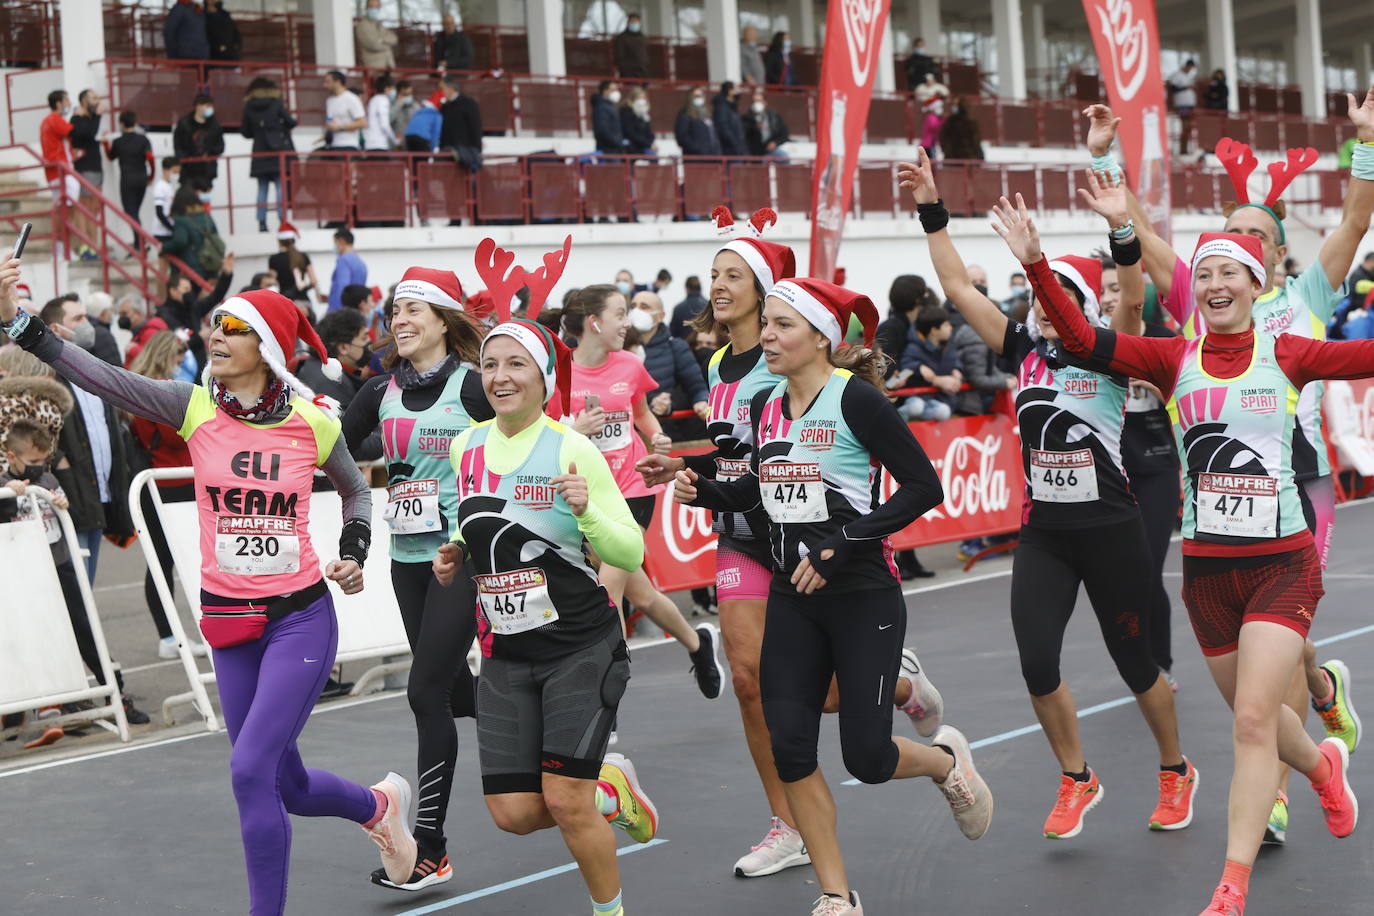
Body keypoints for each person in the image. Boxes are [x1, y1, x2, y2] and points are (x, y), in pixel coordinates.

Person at [1, 256, 421, 915]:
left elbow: (356, 493)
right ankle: (378, 807)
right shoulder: (191, 407)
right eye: (213, 326)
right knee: (287, 782)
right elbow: (101, 377)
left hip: (298, 619)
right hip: (228, 622)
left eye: (232, 326)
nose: (213, 336)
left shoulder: (312, 422)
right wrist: (17, 321)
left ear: (268, 347)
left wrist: (354, 549)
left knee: (250, 771)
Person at [1004, 172, 1369, 915]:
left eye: (1227, 271)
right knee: (1272, 723)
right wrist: (1038, 265)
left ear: (1256, 282)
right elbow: (1080, 339)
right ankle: (1325, 771)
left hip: (1281, 565)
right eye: (1201, 273)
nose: (1211, 282)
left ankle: (1228, 889)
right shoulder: (1171, 361)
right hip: (1207, 574)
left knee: (1249, 724)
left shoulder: (1292, 353)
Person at [1090, 94, 1374, 842]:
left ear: (1276, 255)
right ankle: (1320, 689)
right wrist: (1101, 164)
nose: (1240, 244)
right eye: (1229, 235)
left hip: (1301, 489)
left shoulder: (1308, 297)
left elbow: (1351, 221)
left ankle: (1273, 795)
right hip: (1217, 501)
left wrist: (1367, 145)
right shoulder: (1203, 299)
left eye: (1256, 236)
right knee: (1276, 655)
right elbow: (1142, 237)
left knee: (1268, 658)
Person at [901, 149, 1198, 841]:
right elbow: (954, 284)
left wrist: (1123, 228)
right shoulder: (1019, 350)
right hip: (1046, 535)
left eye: (1053, 293)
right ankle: (1076, 776)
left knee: (1135, 664)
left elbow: (1130, 287)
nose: (1040, 303)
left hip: (1111, 526)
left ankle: (1175, 767)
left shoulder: (1112, 345)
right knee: (1038, 662)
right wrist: (930, 207)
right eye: (1036, 293)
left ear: (1079, 303)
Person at [671, 277, 992, 915]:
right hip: (795, 595)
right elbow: (764, 496)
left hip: (862, 594)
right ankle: (837, 896)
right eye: (767, 324)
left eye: (783, 325)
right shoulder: (766, 409)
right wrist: (700, 490)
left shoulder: (856, 402)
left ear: (821, 338)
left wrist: (842, 542)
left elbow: (924, 487)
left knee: (867, 757)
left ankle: (943, 760)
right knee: (791, 746)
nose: (767, 336)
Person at [433, 317, 657, 916]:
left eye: (516, 365)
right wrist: (455, 550)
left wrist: (585, 512)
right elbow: (472, 517)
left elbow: (629, 551)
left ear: (544, 377)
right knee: (513, 814)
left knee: (564, 799)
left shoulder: (571, 447)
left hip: (580, 646)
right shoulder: (467, 445)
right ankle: (609, 790)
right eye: (490, 365)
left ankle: (609, 911)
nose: (501, 377)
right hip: (508, 652)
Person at [340, 267, 492, 890]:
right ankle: (552, 735)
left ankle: (429, 846)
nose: (399, 320)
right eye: (395, 310)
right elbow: (330, 450)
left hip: (461, 559)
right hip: (407, 564)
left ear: (443, 320)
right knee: (455, 695)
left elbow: (527, 442)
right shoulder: (379, 392)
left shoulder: (476, 387)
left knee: (424, 694)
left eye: (413, 310)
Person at [562, 285, 724, 698]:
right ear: (594, 322)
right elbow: (543, 432)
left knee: (608, 589)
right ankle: (698, 644)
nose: (628, 322)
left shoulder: (630, 366)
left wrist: (658, 437)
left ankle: (605, 696)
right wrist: (572, 432)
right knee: (642, 593)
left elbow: (640, 412)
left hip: (633, 488)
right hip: (588, 493)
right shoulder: (557, 371)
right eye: (620, 313)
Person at [0, 415, 151, 726]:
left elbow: (62, 507)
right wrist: (10, 492)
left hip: (60, 567)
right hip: (24, 578)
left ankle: (116, 692)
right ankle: (20, 708)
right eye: (32, 461)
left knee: (85, 628)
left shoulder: (49, 480)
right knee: (25, 638)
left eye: (44, 460)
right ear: (11, 456)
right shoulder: (4, 488)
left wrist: (58, 500)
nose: (39, 466)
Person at [36, 297, 135, 585]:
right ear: (56, 328)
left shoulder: (94, 370)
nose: (87, 325)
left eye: (85, 317)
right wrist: (61, 463)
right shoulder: (48, 377)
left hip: (100, 495)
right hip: (69, 498)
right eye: (77, 319)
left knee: (86, 587)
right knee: (73, 589)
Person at [126, 331, 208, 659]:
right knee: (167, 562)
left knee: (167, 561)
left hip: (168, 481)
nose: (180, 364)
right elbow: (174, 438)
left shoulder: (142, 388)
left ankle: (171, 633)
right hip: (170, 483)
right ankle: (169, 634)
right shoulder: (157, 390)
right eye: (177, 357)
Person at [632, 290, 708, 441]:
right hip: (628, 433)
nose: (636, 311)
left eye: (644, 306)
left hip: (661, 433)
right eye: (633, 306)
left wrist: (701, 401)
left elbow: (696, 385)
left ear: (661, 316)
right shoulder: (618, 347)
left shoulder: (675, 347)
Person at [157, 259, 235, 373]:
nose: (189, 293)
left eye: (190, 289)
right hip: (180, 370)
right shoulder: (164, 314)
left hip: (199, 367)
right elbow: (177, 341)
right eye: (185, 289)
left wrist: (226, 275)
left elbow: (215, 296)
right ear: (173, 291)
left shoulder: (193, 307)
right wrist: (199, 337)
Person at [240, 77, 296, 234]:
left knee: (262, 188)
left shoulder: (249, 106)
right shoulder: (276, 103)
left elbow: (245, 131)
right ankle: (282, 219)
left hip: (259, 151)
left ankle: (262, 222)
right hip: (278, 150)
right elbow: (291, 122)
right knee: (280, 186)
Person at [897, 306, 963, 422]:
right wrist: (918, 367)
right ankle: (896, 420)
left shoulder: (949, 347)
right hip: (915, 397)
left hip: (936, 399)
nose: (951, 328)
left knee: (943, 412)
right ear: (934, 330)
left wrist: (957, 370)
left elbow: (956, 361)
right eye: (946, 325)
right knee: (916, 407)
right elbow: (904, 369)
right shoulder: (914, 348)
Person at [105, 111, 155, 251]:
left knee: (130, 212)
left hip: (127, 179)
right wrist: (151, 176)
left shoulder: (118, 142)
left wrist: (104, 144)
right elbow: (150, 158)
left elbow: (110, 156)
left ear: (121, 124)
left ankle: (141, 241)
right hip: (142, 177)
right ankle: (139, 243)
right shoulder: (143, 140)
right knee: (134, 212)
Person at [300, 310, 369, 409]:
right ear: (343, 348)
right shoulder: (336, 387)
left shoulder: (312, 364)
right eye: (364, 338)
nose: (370, 343)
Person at [161, 184, 225, 280]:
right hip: (211, 265)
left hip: (192, 271)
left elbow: (180, 241)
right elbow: (216, 235)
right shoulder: (206, 216)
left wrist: (164, 247)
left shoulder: (180, 220)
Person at [172, 93, 225, 190]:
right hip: (188, 170)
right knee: (188, 198)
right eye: (207, 106)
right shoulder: (184, 124)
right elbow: (178, 145)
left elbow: (220, 146)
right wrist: (185, 159)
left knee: (205, 199)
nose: (210, 109)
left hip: (207, 170)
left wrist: (210, 154)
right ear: (198, 106)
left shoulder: (215, 125)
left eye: (211, 106)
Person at [268, 223, 320, 308]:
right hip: (304, 301)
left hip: (285, 302)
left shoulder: (274, 259)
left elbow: (271, 283)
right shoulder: (303, 256)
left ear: (279, 241)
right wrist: (304, 287)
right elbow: (314, 281)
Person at [438, 74, 483, 172]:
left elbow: (475, 126)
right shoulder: (444, 107)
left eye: (442, 88)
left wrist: (477, 149)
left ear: (450, 88)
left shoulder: (468, 104)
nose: (441, 92)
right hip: (448, 151)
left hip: (465, 151)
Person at [119, 295, 170, 366]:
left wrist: (132, 350)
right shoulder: (139, 332)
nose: (121, 317)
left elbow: (155, 358)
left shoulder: (151, 332)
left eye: (124, 313)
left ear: (138, 313)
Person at [323, 71, 366, 153]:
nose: (325, 85)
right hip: (333, 145)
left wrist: (340, 127)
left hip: (349, 145)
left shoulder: (351, 98)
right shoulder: (329, 100)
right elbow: (330, 119)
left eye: (328, 82)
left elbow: (362, 122)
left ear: (337, 82)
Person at [326, 229, 367, 312]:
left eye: (335, 243)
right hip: (356, 310)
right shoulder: (361, 263)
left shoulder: (343, 260)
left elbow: (342, 287)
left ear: (341, 241)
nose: (335, 246)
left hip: (341, 312)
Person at [676, 89, 721, 157]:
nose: (700, 98)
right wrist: (697, 148)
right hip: (696, 157)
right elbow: (682, 136)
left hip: (712, 156)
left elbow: (714, 134)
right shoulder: (685, 114)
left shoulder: (707, 114)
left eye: (701, 95)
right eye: (697, 96)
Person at [744, 92, 790, 158]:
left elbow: (784, 132)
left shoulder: (774, 116)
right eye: (755, 101)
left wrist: (775, 142)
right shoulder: (747, 117)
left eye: (759, 101)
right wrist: (753, 127)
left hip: (771, 148)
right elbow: (745, 136)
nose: (757, 103)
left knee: (784, 157)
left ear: (765, 102)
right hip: (755, 152)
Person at [355, 0, 398, 69]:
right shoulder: (362, 25)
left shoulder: (379, 24)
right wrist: (388, 45)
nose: (374, 9)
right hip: (374, 68)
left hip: (388, 65)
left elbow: (394, 39)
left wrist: (381, 40)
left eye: (376, 7)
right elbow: (374, 45)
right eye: (371, 7)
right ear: (366, 8)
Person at [1168, 59, 1198, 154]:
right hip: (1182, 105)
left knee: (1189, 128)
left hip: (1190, 105)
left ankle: (1186, 149)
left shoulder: (1189, 76)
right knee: (1185, 126)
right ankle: (1183, 150)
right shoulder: (1177, 75)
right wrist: (1187, 87)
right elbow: (1173, 88)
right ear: (1187, 66)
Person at [915, 73, 949, 157]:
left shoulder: (932, 117)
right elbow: (934, 127)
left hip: (931, 144)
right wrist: (944, 120)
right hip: (928, 145)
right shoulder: (931, 117)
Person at [364, 73, 399, 154]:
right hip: (378, 144)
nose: (394, 92)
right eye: (393, 89)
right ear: (386, 89)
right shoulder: (383, 100)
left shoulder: (374, 100)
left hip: (371, 143)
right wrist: (395, 140)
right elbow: (384, 124)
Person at [592, 80, 628, 156]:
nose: (616, 92)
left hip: (615, 150)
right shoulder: (601, 107)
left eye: (617, 90)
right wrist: (618, 143)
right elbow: (603, 130)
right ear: (605, 91)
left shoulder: (611, 107)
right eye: (613, 90)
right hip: (608, 150)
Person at [151, 157, 179, 254]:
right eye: (174, 172)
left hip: (170, 229)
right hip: (161, 232)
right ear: (165, 170)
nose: (176, 175)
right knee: (164, 263)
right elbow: (159, 212)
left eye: (178, 172)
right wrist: (172, 228)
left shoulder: (170, 186)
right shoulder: (160, 187)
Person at [404, 89, 444, 154]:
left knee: (411, 160)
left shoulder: (420, 111)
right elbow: (436, 133)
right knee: (423, 162)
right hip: (422, 139)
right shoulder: (437, 115)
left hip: (408, 136)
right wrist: (431, 150)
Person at [714, 82, 747, 157]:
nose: (738, 91)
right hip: (730, 151)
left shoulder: (732, 107)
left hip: (737, 149)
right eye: (736, 89)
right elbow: (723, 128)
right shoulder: (722, 107)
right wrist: (735, 144)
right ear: (730, 91)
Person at [620, 88, 655, 156]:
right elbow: (630, 132)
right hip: (631, 146)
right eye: (639, 98)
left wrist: (650, 143)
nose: (642, 100)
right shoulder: (626, 111)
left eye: (643, 98)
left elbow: (649, 131)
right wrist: (647, 144)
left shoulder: (644, 114)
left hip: (643, 145)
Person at [612, 12, 648, 80]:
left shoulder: (642, 37)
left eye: (636, 21)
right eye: (632, 21)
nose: (634, 23)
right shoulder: (622, 38)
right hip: (628, 72)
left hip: (643, 71)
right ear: (628, 23)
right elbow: (619, 55)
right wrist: (624, 68)